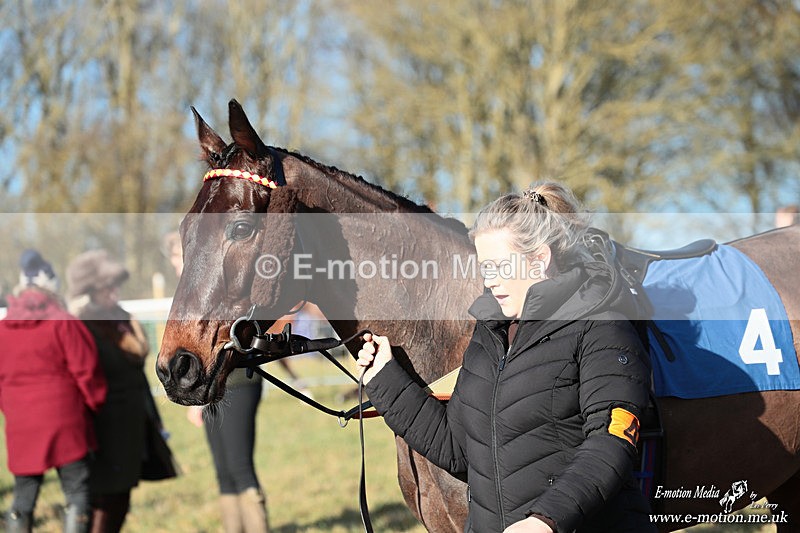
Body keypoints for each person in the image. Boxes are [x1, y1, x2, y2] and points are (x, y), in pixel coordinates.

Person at [356, 183, 656, 533]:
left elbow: (611, 442)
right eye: (486, 268)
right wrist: (384, 378)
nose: (491, 281)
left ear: (540, 260)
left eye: (501, 267)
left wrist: (545, 522)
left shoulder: (602, 327)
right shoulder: (490, 335)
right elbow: (457, 446)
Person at [162, 231, 271, 533]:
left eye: (178, 256)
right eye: (173, 258)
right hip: (208, 388)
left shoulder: (216, 287)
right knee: (223, 470)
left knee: (239, 466)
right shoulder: (190, 295)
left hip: (236, 382)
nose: (175, 264)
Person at [66, 249, 173, 533]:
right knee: (104, 501)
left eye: (115, 285)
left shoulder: (123, 319)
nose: (114, 292)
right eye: (106, 287)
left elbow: (137, 376)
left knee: (120, 498)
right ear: (91, 290)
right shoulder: (83, 325)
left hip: (133, 423)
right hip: (104, 428)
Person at [0, 250, 107, 533]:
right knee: (76, 491)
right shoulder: (63, 321)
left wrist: (12, 409)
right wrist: (95, 405)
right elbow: (87, 370)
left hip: (21, 424)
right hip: (64, 419)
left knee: (24, 492)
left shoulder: (3, 329)